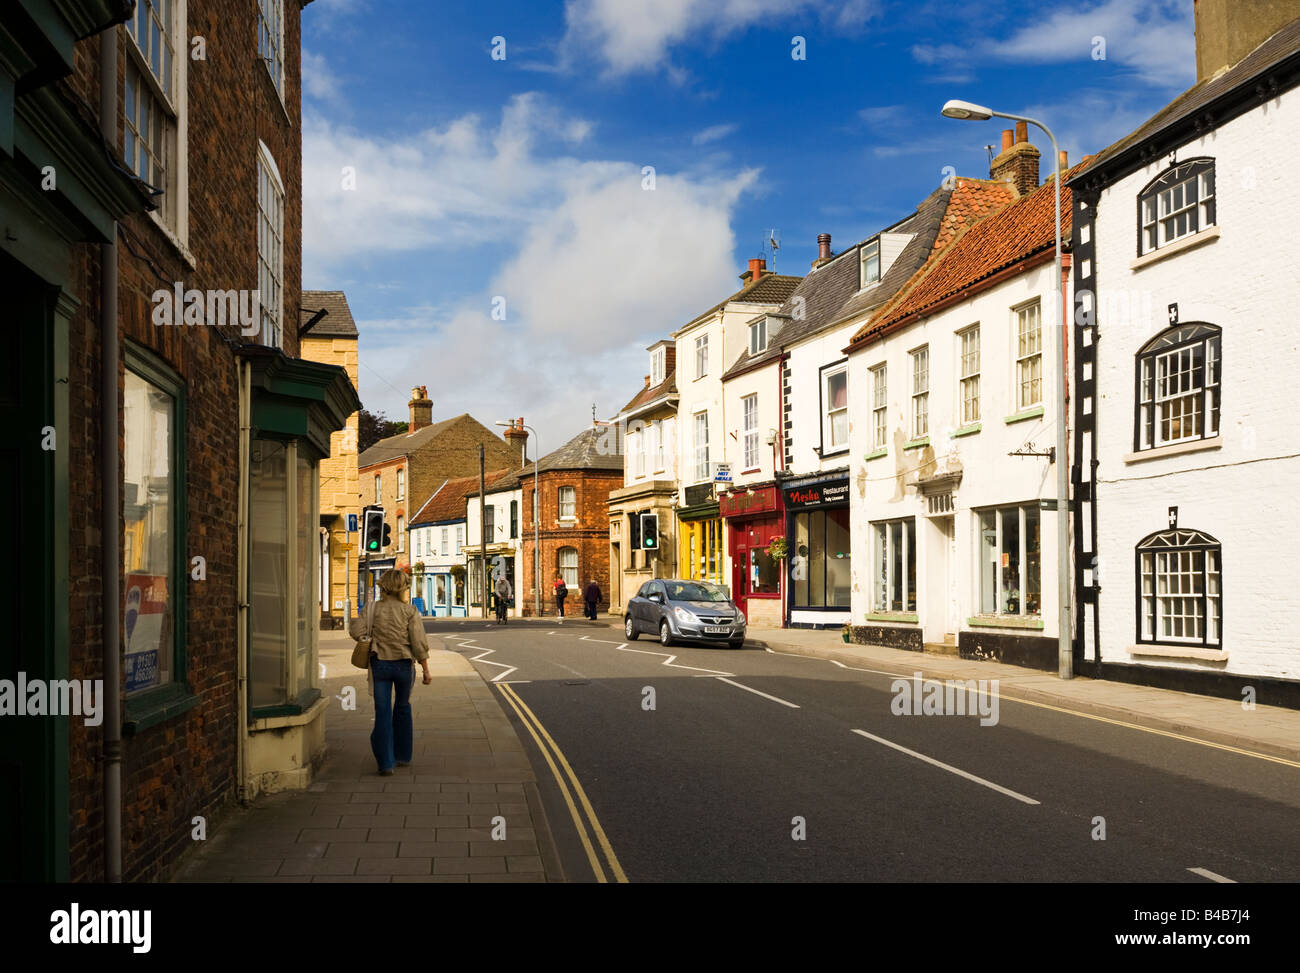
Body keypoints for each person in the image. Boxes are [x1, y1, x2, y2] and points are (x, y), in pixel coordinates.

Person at [349, 568, 431, 776]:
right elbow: (419, 643)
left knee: (382, 713)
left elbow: (356, 631)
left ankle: (386, 763)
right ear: (402, 587)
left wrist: (368, 638)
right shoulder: (410, 611)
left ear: (383, 586)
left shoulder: (372, 608)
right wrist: (426, 670)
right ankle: (403, 755)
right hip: (404, 666)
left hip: (380, 666)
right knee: (403, 708)